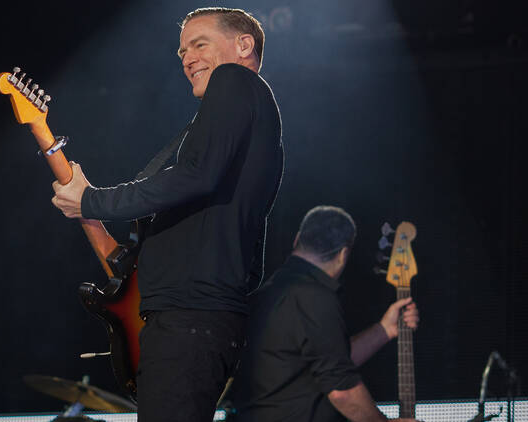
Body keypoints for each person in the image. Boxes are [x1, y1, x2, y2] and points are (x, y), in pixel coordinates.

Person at [51, 7, 283, 422]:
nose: (187, 58)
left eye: (199, 45)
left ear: (243, 45)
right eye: (181, 52)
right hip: (201, 319)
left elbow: (195, 175)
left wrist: (92, 201)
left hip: (190, 323)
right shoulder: (248, 114)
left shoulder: (236, 81)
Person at [231, 205, 420, 422]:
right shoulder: (314, 296)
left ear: (297, 239)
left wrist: (384, 330)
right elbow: (343, 391)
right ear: (343, 254)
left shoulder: (271, 290)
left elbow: (330, 361)